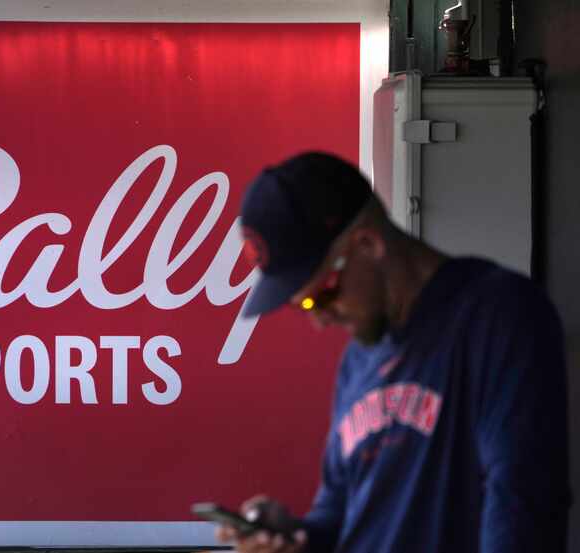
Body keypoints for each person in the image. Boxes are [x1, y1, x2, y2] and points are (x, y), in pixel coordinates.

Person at [217, 152, 571, 553]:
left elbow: (521, 505)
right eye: (302, 307)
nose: (318, 322)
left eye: (321, 296)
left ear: (367, 244)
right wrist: (297, 537)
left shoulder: (498, 316)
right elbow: (338, 515)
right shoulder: (358, 361)